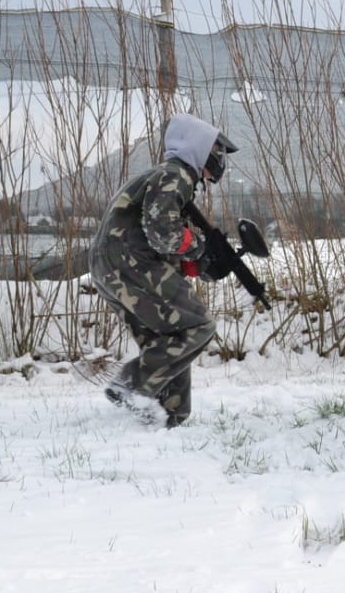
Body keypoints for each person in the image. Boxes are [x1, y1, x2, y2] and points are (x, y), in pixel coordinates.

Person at [89, 113, 237, 428]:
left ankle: (167, 415)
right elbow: (163, 233)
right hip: (129, 262)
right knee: (199, 325)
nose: (220, 161)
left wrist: (198, 262)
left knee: (170, 334)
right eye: (217, 151)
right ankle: (132, 384)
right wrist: (198, 246)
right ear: (200, 148)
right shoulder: (176, 176)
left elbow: (162, 239)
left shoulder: (167, 177)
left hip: (113, 264)